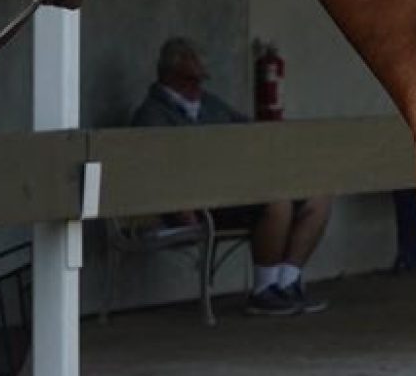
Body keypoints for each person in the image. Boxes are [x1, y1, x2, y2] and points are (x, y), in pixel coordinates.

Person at [130, 36, 333, 316]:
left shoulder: (209, 103)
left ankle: (287, 282)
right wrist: (182, 208)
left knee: (318, 197)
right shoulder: (151, 114)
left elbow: (249, 132)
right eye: (190, 79)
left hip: (233, 193)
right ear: (170, 75)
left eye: (200, 80)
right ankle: (264, 290)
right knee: (277, 202)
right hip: (197, 206)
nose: (197, 87)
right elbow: (154, 171)